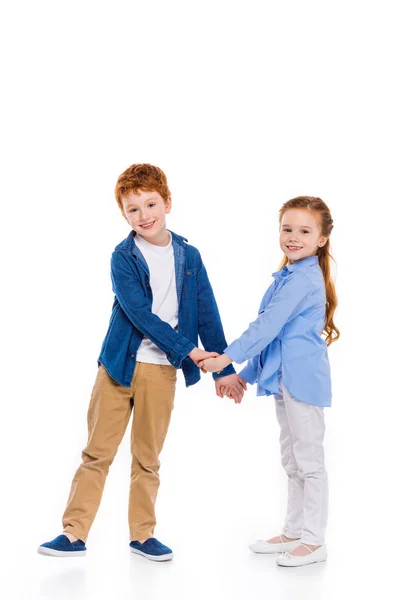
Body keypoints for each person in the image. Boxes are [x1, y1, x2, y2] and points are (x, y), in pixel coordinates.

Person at [38, 163, 246, 561]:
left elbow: (207, 314)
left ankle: (142, 535)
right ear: (123, 214)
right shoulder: (123, 256)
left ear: (167, 203)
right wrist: (189, 351)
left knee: (147, 457)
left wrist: (224, 369)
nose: (144, 215)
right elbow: (140, 315)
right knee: (97, 453)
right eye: (133, 209)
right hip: (118, 366)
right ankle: (73, 533)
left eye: (151, 204)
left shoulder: (190, 256)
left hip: (160, 372)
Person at [199, 196, 339, 567]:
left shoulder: (304, 278)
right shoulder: (287, 276)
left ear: (322, 239)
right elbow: (275, 338)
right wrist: (243, 375)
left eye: (304, 231)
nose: (293, 237)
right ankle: (294, 532)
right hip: (282, 378)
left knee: (309, 460)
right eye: (287, 229)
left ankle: (314, 540)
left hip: (303, 381)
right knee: (291, 459)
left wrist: (225, 359)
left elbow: (266, 327)